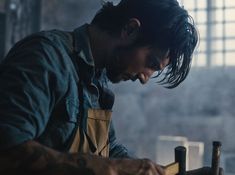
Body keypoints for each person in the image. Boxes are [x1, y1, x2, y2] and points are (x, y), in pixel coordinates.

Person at [0, 0, 222, 174]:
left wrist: (161, 173)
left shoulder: (98, 82)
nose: (145, 78)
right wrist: (106, 169)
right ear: (130, 29)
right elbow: (7, 150)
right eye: (151, 63)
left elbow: (111, 153)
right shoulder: (45, 57)